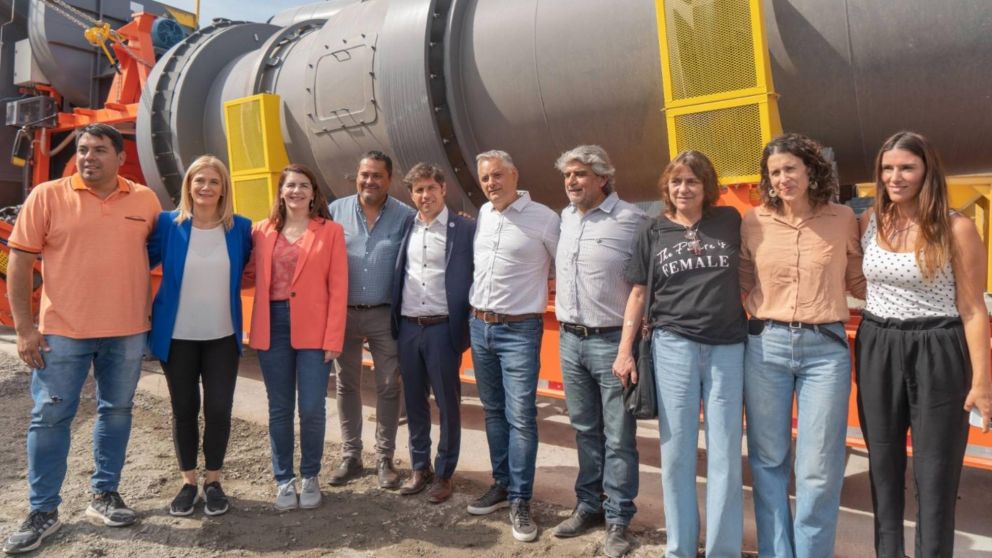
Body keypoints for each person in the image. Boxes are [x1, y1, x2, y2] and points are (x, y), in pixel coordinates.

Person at [2, 124, 161, 555]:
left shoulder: (145, 200)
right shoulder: (46, 196)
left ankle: (105, 495)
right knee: (50, 418)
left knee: (117, 411)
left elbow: (157, 252)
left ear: (120, 157)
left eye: (99, 150)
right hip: (62, 333)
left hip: (127, 330)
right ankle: (42, 510)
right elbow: (19, 263)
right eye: (83, 149)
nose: (88, 157)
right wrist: (25, 329)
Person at [855, 131, 992, 557]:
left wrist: (982, 383)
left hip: (937, 348)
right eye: (887, 168)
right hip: (878, 343)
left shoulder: (956, 228)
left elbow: (973, 309)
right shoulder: (871, 220)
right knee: (883, 465)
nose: (895, 177)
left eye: (906, 168)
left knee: (935, 472)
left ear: (927, 171)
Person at [740, 133, 866, 558]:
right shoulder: (753, 221)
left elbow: (858, 280)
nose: (783, 179)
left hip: (825, 351)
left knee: (819, 467)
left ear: (811, 171)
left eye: (790, 168)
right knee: (768, 460)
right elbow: (741, 279)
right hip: (766, 347)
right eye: (774, 172)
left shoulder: (843, 218)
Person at [615, 150, 746, 558]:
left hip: (727, 347)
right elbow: (638, 292)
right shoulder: (653, 230)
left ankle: (723, 551)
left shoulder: (730, 220)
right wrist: (625, 351)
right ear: (666, 187)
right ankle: (680, 549)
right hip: (674, 347)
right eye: (676, 181)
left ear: (707, 186)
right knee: (676, 455)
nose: (683, 188)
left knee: (726, 454)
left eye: (692, 181)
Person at [551, 145, 645, 558]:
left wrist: (628, 348)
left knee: (619, 436)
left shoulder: (633, 220)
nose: (571, 182)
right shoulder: (565, 218)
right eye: (567, 175)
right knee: (585, 429)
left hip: (611, 343)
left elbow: (643, 286)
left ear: (603, 178)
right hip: (570, 341)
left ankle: (619, 518)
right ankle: (589, 505)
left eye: (580, 174)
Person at [147, 155, 253, 517]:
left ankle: (214, 481)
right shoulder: (167, 224)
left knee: (219, 409)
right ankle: (189, 482)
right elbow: (138, 261)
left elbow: (252, 270)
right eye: (199, 180)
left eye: (214, 181)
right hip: (177, 337)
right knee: (184, 409)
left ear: (224, 189)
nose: (206, 187)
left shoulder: (240, 228)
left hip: (222, 335)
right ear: (188, 186)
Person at [466, 150, 560, 542]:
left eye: (498, 175)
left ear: (515, 174)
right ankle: (502, 484)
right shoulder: (485, 214)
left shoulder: (545, 218)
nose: (491, 183)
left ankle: (521, 499)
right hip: (480, 326)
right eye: (485, 178)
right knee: (493, 412)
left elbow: (563, 265)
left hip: (519, 330)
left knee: (520, 416)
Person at [248, 164, 348, 510]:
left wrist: (334, 337)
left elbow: (338, 288)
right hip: (272, 324)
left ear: (314, 193)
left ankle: (310, 475)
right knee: (279, 408)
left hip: (314, 328)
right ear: (281, 191)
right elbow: (246, 272)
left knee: (311, 407)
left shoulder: (330, 232)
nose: (296, 191)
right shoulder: (261, 231)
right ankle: (283, 479)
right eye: (290, 185)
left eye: (304, 185)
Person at [327, 151, 414, 489]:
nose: (369, 181)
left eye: (377, 175)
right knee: (346, 384)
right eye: (365, 174)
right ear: (357, 176)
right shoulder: (335, 211)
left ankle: (384, 458)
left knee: (389, 385)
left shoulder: (404, 216)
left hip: (383, 313)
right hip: (344, 313)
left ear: (389, 179)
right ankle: (351, 456)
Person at [390, 163, 475, 504]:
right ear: (411, 195)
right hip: (409, 327)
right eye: (418, 190)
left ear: (443, 190)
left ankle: (444, 473)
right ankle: (419, 467)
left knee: (447, 403)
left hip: (442, 329)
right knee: (413, 402)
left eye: (430, 188)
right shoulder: (405, 226)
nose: (425, 195)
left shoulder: (465, 229)